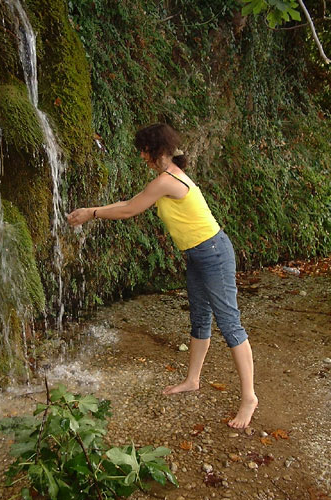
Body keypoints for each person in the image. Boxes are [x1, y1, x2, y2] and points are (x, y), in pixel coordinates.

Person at [67, 123, 258, 429]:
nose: (141, 156)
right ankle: (193, 379)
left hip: (213, 252)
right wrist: (94, 209)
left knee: (230, 324)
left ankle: (249, 397)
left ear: (155, 151)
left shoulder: (168, 181)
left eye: (144, 150)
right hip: (197, 254)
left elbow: (130, 209)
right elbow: (130, 202)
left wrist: (92, 213)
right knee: (199, 318)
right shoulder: (167, 178)